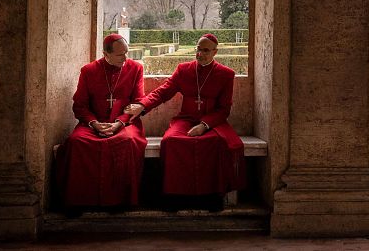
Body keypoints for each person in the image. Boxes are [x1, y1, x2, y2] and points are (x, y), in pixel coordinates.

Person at [124, 33, 244, 210]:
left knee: (216, 142)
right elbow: (163, 92)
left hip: (212, 122)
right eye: (198, 49)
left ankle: (210, 197)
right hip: (186, 119)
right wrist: (142, 106)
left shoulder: (226, 74)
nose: (200, 54)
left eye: (205, 50)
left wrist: (204, 126)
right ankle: (174, 196)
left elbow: (224, 109)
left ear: (215, 52)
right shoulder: (184, 70)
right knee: (170, 141)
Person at [54, 34, 147, 211]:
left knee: (127, 142)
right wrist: (94, 123)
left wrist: (119, 122)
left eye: (126, 53)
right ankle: (79, 202)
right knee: (76, 143)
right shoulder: (89, 71)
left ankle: (120, 202)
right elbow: (80, 105)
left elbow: (137, 102)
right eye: (120, 55)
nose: (125, 58)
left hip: (125, 123)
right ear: (106, 54)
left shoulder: (135, 69)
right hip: (93, 123)